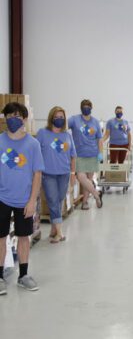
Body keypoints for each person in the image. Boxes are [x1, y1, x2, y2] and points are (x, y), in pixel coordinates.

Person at [0, 102, 44, 295]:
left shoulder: (33, 144)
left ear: (24, 119)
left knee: (24, 237)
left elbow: (37, 173)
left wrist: (32, 200)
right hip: (2, 198)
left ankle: (23, 276)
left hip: (24, 200)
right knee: (0, 238)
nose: (12, 119)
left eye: (17, 116)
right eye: (9, 116)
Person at [36, 106, 77, 243]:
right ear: (51, 118)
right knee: (53, 200)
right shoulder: (42, 133)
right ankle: (60, 233)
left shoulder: (67, 135)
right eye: (56, 117)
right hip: (48, 174)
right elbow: (35, 153)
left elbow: (73, 156)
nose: (59, 119)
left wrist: (72, 173)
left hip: (64, 173)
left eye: (61, 117)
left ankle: (54, 229)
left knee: (59, 200)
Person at [68, 99, 103, 210]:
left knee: (88, 178)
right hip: (79, 154)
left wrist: (100, 153)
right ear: (81, 107)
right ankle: (97, 193)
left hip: (92, 154)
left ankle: (85, 202)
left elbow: (99, 139)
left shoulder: (95, 122)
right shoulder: (74, 120)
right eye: (84, 106)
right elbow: (63, 126)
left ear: (91, 108)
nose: (86, 108)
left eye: (88, 106)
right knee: (81, 177)